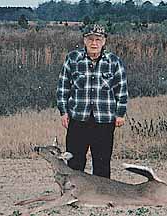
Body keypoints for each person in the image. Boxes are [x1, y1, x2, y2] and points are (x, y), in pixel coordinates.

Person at [56, 24, 128, 178]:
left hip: (104, 120)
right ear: (84, 40)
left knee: (102, 162)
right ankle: (74, 194)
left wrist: (120, 114)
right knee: (74, 162)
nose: (94, 43)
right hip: (78, 118)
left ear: (104, 41)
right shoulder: (73, 59)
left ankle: (101, 197)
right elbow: (63, 87)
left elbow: (121, 89)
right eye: (90, 39)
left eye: (98, 39)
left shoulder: (114, 61)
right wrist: (63, 112)